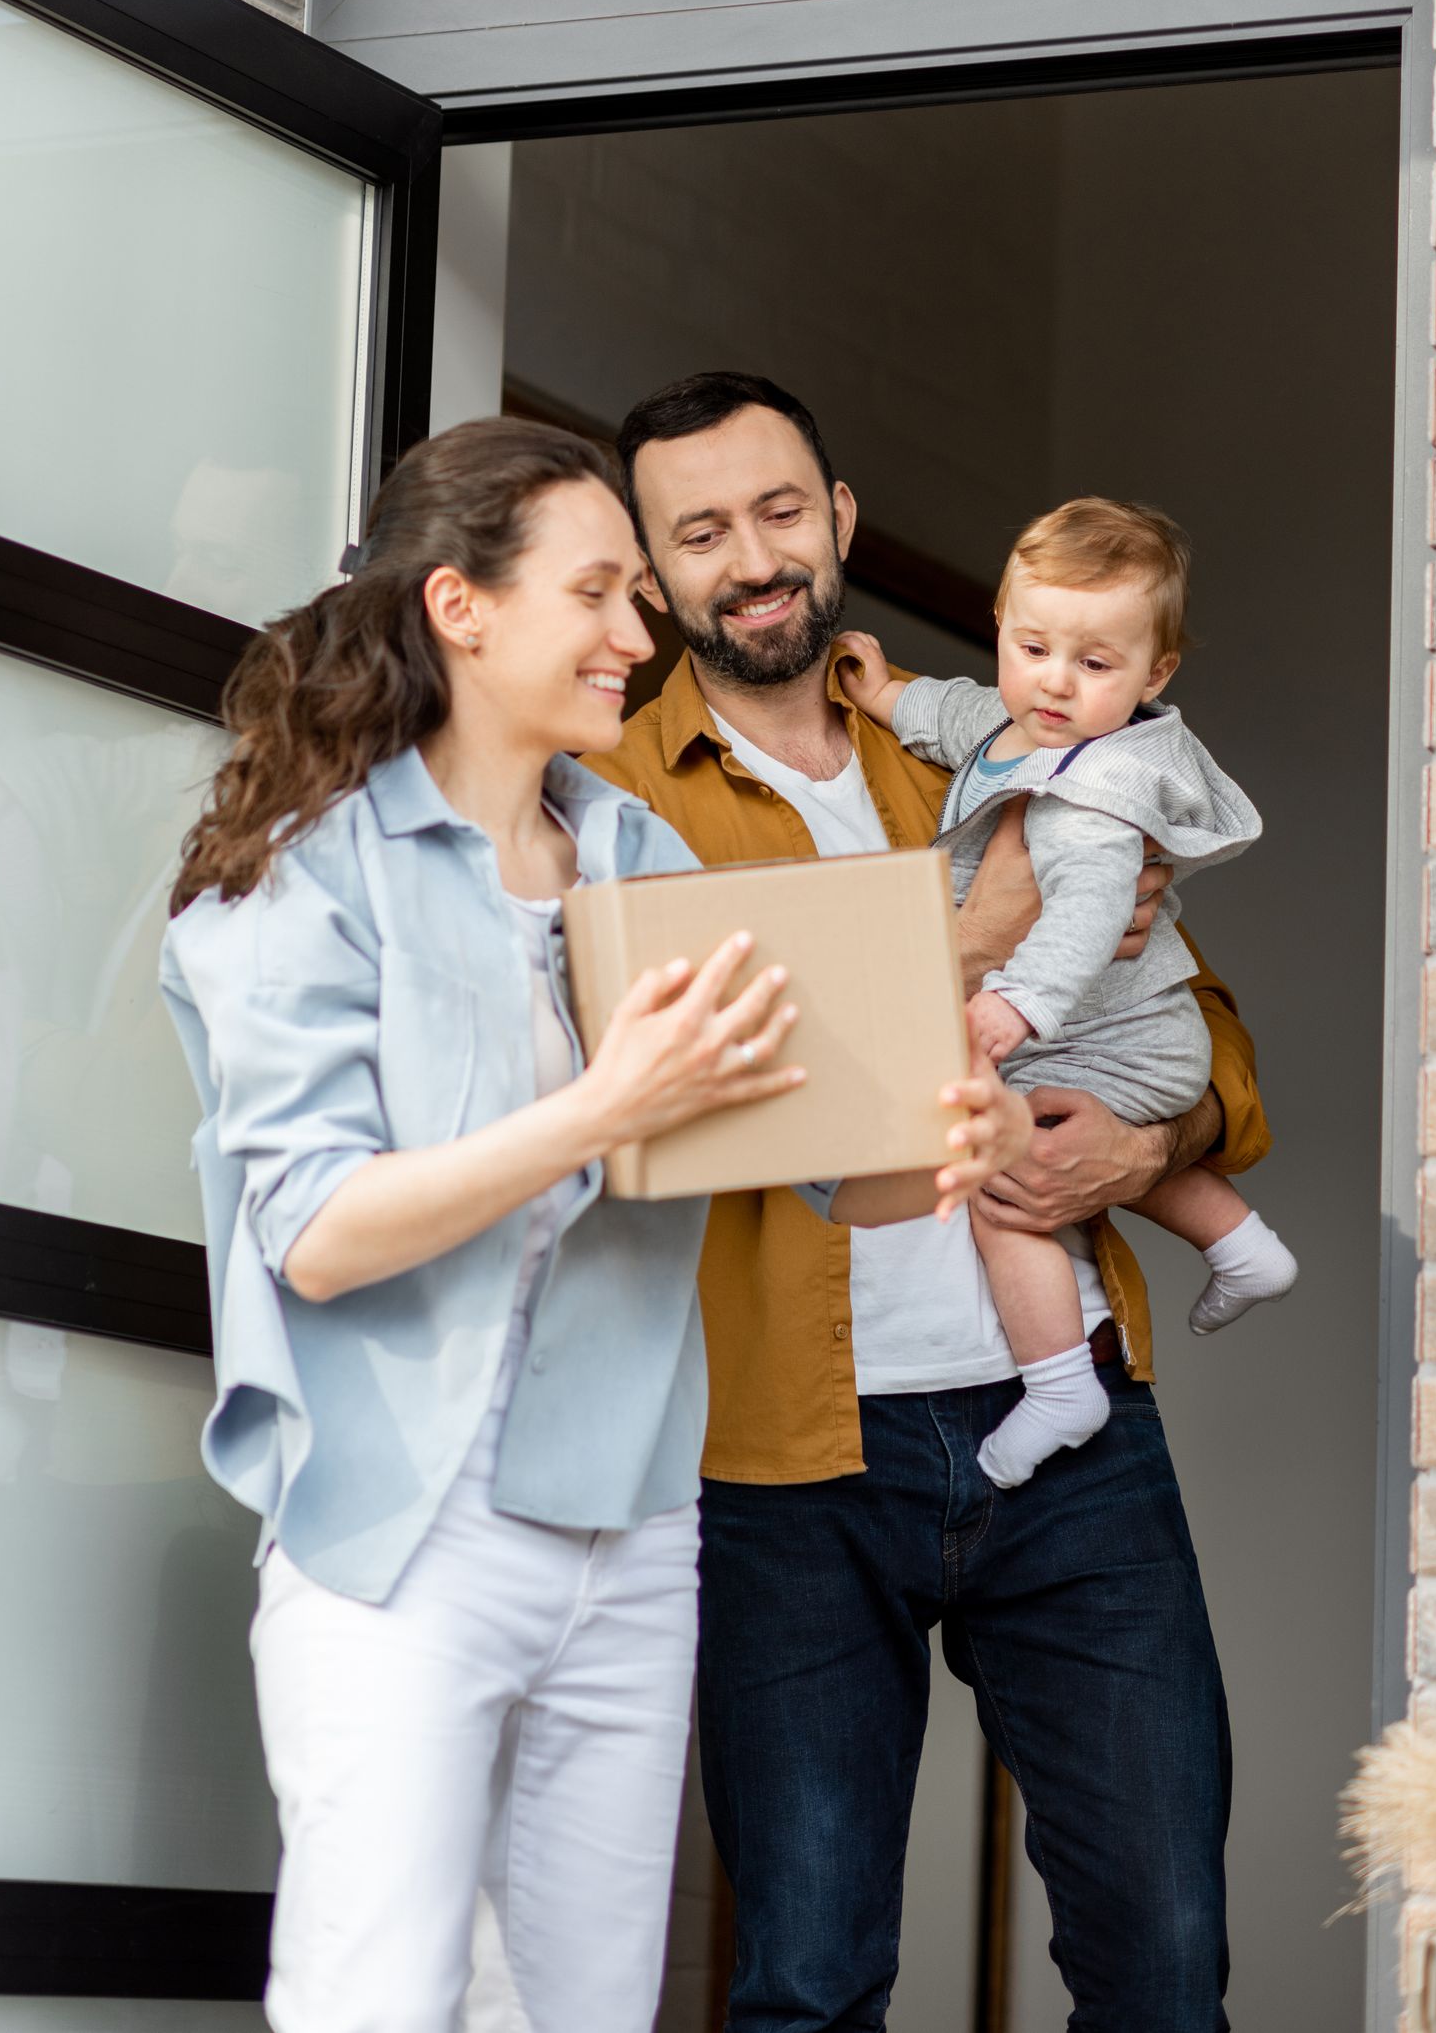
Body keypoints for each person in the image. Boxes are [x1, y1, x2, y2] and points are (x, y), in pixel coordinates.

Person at [159, 416, 1027, 2033]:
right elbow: (318, 1233)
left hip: (627, 1533)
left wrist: (943, 1143)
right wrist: (600, 1108)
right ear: (458, 607)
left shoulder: (644, 851)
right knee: (382, 1999)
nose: (642, 635)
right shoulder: (301, 873)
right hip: (400, 1532)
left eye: (644, 594)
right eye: (601, 593)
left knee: (581, 2015)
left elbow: (824, 1165)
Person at [591, 371, 1273, 2033]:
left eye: (776, 511)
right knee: (810, 1979)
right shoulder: (615, 802)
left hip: (1076, 1431)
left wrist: (1142, 1141)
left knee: (1167, 1956)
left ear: (835, 515)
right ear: (654, 570)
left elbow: (1211, 1054)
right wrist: (962, 946)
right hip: (784, 1462)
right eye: (698, 533)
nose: (749, 558)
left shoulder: (1009, 741)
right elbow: (677, 1114)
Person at [840, 490, 1297, 1494]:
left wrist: (1019, 1004)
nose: (1053, 684)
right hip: (1141, 1039)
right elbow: (963, 714)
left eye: (1095, 666)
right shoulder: (1020, 724)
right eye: (1033, 648)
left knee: (1014, 1192)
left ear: (1154, 674)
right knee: (1091, 1137)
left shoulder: (1090, 794)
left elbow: (1091, 911)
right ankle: (1245, 1246)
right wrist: (884, 697)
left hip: (1112, 1035)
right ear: (1002, 628)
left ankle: (1057, 1386)